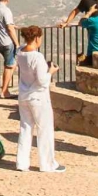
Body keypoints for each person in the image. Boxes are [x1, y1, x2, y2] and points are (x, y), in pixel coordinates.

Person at [15, 26, 65, 173]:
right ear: (37, 38)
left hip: (23, 95)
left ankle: (22, 163)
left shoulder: (20, 52)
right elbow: (43, 81)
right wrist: (51, 71)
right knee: (45, 130)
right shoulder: (37, 57)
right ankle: (47, 164)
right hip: (38, 97)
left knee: (25, 128)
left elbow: (24, 46)